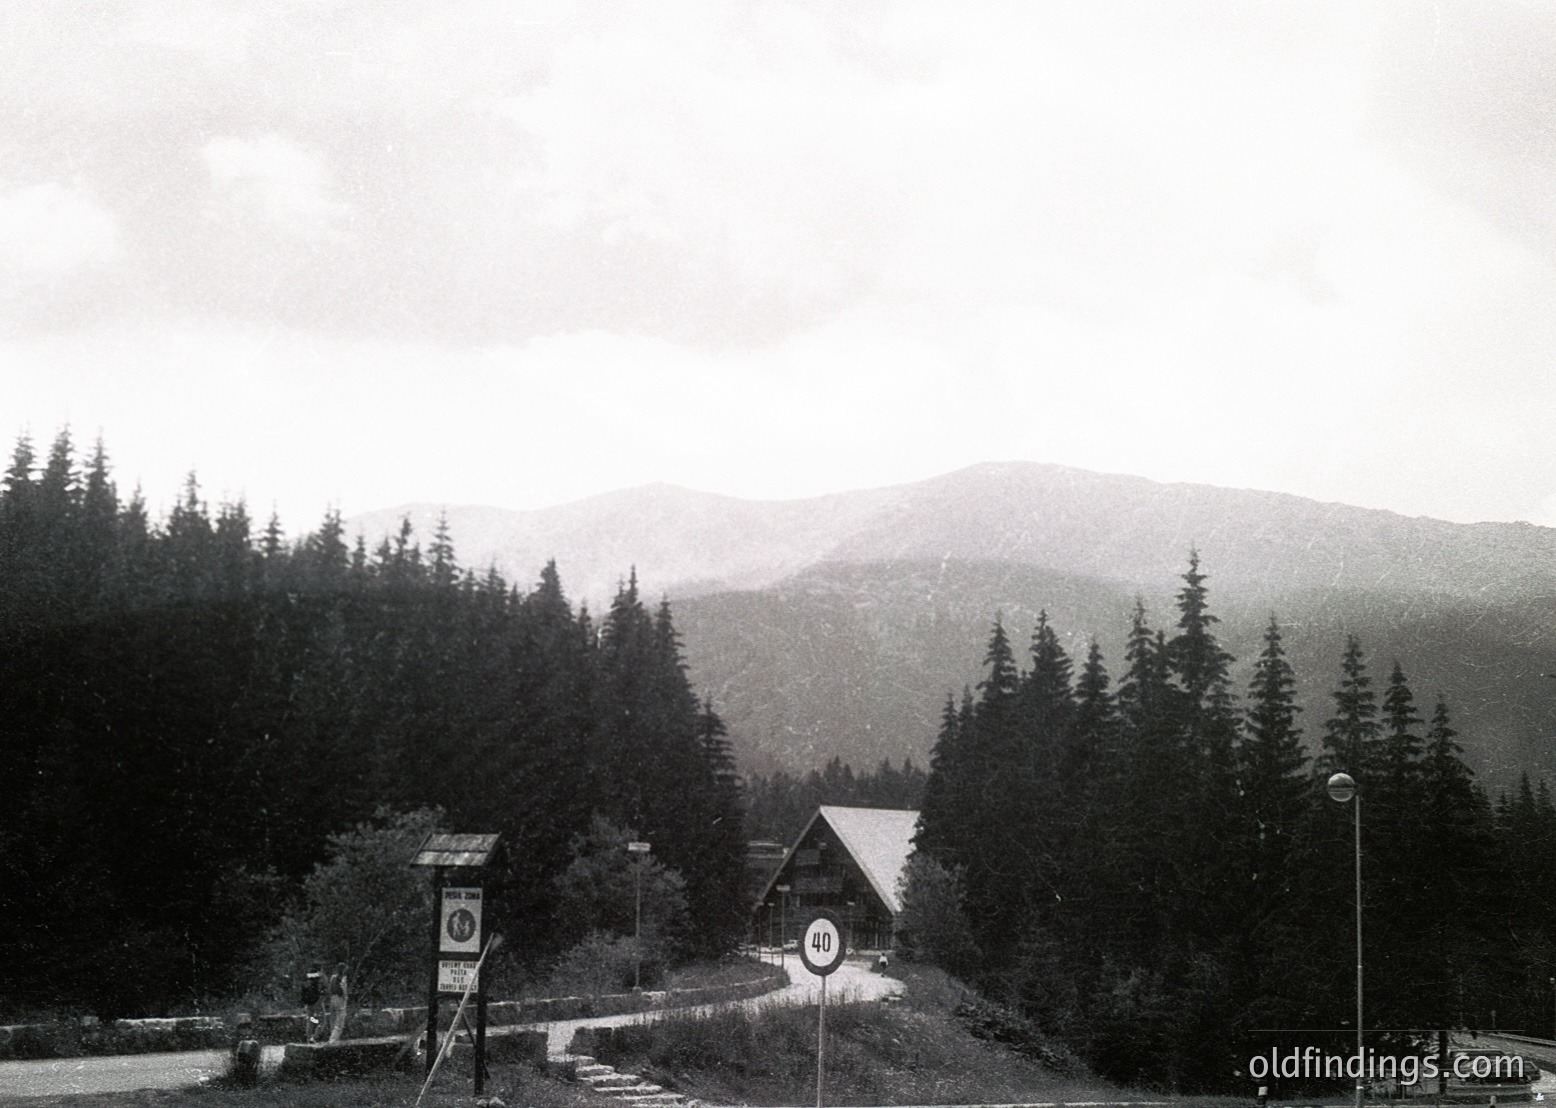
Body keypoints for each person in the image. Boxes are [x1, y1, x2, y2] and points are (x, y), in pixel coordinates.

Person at [327, 962, 349, 1043]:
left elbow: (330, 989)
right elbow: (344, 990)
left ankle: (332, 1036)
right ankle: (334, 1039)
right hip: (340, 999)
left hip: (333, 998)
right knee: (340, 1020)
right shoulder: (343, 978)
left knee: (333, 1019)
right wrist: (345, 998)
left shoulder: (333, 977)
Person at [301, 969, 324, 1042]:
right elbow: (322, 991)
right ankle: (314, 1037)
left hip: (308, 1004)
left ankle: (308, 1038)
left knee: (310, 1021)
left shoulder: (306, 981)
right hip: (316, 1003)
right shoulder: (317, 981)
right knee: (321, 1021)